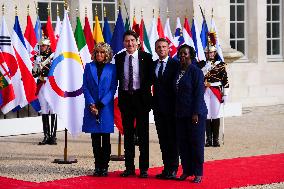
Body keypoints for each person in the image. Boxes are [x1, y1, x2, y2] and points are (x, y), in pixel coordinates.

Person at [115, 30, 153, 178]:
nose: (130, 43)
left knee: (143, 136)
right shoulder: (118, 58)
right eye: (127, 41)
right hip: (126, 100)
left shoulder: (146, 57)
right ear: (123, 43)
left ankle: (144, 169)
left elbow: (150, 78)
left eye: (132, 40)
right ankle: (129, 168)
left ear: (138, 41)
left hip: (141, 99)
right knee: (128, 135)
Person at [82, 42, 117, 177]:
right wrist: (92, 104)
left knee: (106, 139)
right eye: (97, 52)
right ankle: (97, 166)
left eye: (102, 52)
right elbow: (85, 87)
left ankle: (105, 167)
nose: (99, 55)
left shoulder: (112, 68)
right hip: (91, 108)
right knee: (95, 140)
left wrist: (101, 104)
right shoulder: (88, 66)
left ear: (107, 54)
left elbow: (112, 88)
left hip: (105, 108)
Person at [174, 44, 207, 183]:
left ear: (191, 55)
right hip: (180, 114)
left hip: (195, 114)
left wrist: (195, 113)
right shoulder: (177, 70)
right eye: (180, 53)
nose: (182, 56)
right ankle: (187, 170)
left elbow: (199, 93)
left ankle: (198, 173)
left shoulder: (196, 71)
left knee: (196, 143)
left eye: (185, 54)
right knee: (183, 143)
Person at [152, 38, 179, 180]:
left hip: (172, 109)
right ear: (156, 49)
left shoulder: (176, 64)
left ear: (169, 49)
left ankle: (173, 168)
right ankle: (166, 168)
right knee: (163, 140)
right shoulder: (153, 65)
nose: (161, 49)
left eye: (164, 47)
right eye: (159, 47)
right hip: (158, 109)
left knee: (172, 139)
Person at [203, 33, 229, 147]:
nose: (210, 54)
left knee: (215, 114)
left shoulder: (221, 65)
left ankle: (216, 139)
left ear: (215, 53)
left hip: (216, 91)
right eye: (208, 52)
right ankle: (208, 139)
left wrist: (225, 94)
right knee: (206, 115)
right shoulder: (201, 65)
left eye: (212, 52)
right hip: (204, 90)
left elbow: (225, 81)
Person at [32, 37, 57, 145]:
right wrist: (37, 67)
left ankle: (53, 136)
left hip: (50, 85)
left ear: (48, 46)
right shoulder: (37, 57)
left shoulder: (53, 56)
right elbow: (34, 74)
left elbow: (56, 70)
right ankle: (46, 135)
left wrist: (47, 68)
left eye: (44, 46)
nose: (41, 47)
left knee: (52, 109)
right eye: (41, 46)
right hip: (41, 84)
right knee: (44, 109)